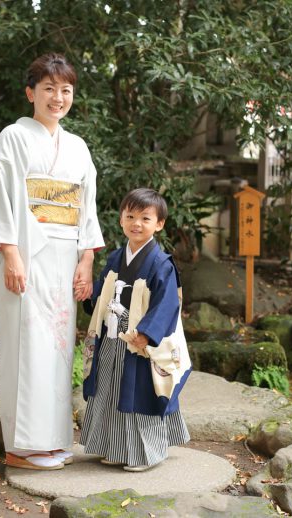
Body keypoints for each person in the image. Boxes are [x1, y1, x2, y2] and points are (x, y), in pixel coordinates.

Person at [0, 53, 104, 470]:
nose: (57, 97)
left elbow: (87, 208)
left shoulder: (78, 148)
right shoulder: (11, 138)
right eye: (48, 88)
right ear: (31, 93)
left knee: (59, 350)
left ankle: (52, 440)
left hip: (65, 259)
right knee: (25, 348)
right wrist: (10, 255)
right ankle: (21, 447)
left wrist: (85, 261)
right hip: (26, 255)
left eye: (65, 90)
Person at [80, 188, 192, 472]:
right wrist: (88, 295)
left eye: (145, 218)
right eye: (130, 216)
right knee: (109, 389)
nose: (136, 223)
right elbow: (104, 294)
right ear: (120, 220)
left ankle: (146, 454)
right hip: (113, 337)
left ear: (159, 224)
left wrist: (147, 333)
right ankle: (115, 448)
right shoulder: (117, 258)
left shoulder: (161, 263)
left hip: (140, 342)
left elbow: (168, 304)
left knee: (140, 393)